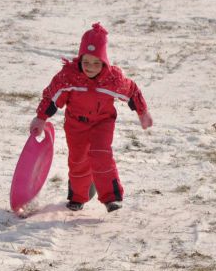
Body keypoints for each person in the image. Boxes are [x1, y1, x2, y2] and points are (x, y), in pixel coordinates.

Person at [30, 23, 153, 212]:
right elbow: (51, 96)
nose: (90, 67)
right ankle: (79, 196)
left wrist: (142, 112)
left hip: (102, 122)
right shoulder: (68, 77)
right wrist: (40, 118)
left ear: (104, 62)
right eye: (86, 62)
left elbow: (132, 92)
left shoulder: (112, 79)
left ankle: (111, 197)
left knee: (100, 154)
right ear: (80, 59)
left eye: (96, 63)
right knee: (78, 160)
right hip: (75, 124)